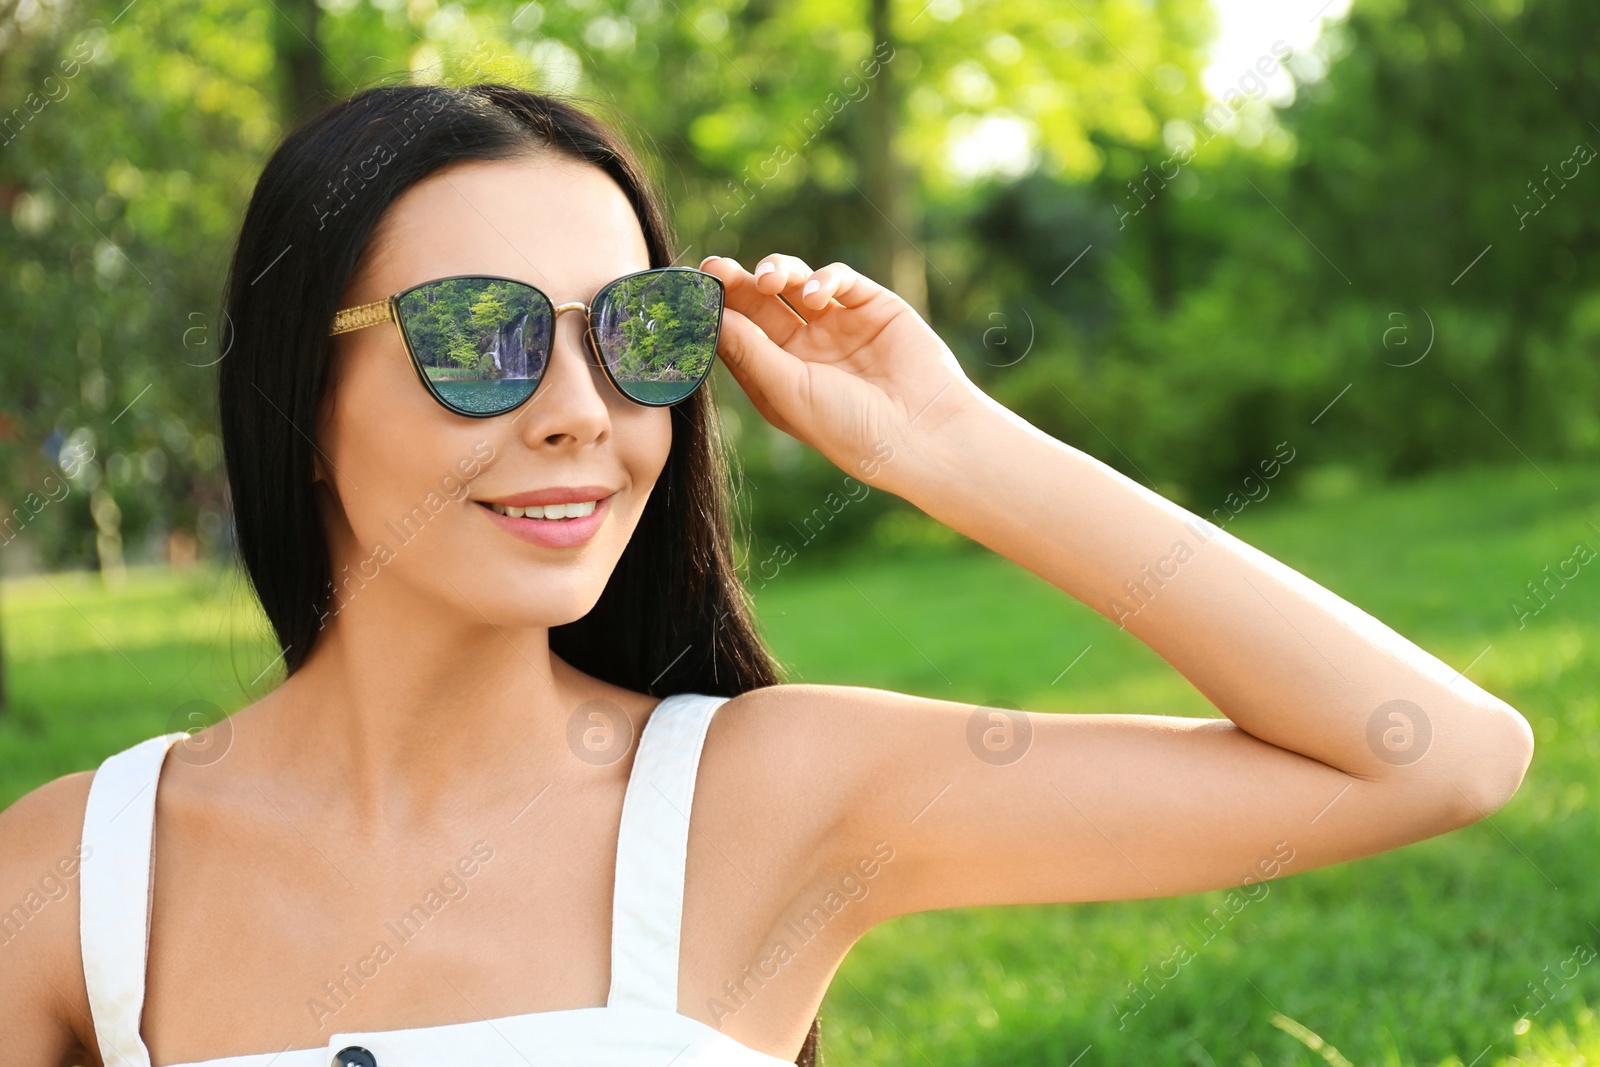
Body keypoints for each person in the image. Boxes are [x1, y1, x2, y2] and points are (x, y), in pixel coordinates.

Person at [0, 82, 1533, 1067]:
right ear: (295, 402)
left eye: (636, 331)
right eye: (481, 336)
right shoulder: (76, 876)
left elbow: (1438, 757)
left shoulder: (770, 796)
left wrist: (949, 444)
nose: (582, 410)